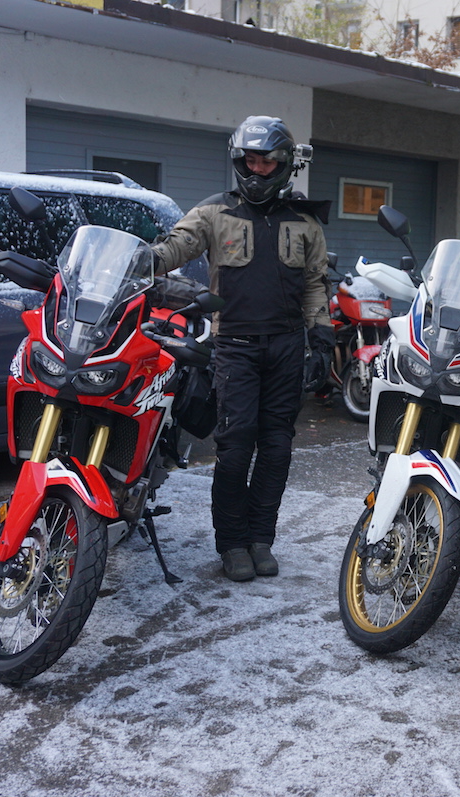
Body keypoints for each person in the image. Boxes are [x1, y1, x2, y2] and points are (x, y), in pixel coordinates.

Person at [152, 115, 334, 582]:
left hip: (288, 347)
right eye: (249, 161)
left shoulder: (305, 221)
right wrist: (140, 260)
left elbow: (315, 283)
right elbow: (173, 248)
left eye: (266, 163)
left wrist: (322, 337)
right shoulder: (213, 212)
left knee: (276, 449)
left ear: (285, 165)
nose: (256, 171)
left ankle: (260, 539)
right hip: (233, 348)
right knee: (234, 449)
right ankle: (232, 543)